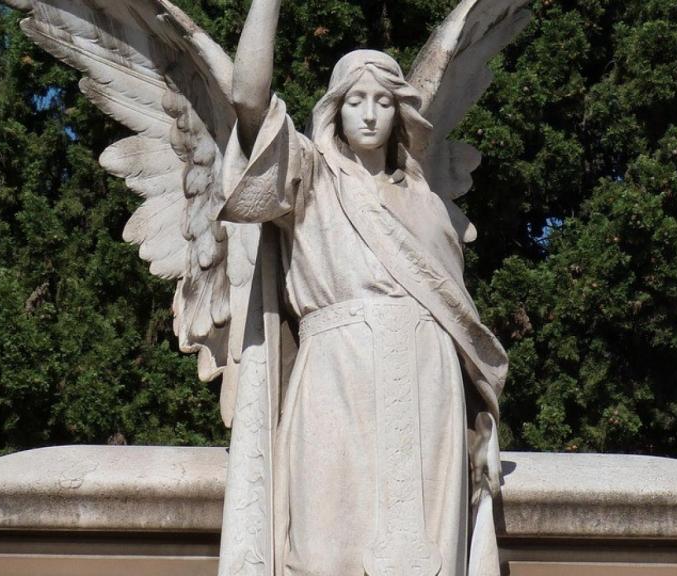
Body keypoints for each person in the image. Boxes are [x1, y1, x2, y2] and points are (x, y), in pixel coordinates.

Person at [218, 1, 509, 574]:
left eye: (382, 101)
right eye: (355, 100)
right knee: (325, 549)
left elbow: (463, 327)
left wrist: (486, 429)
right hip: (337, 376)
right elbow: (248, 98)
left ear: (400, 113)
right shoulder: (308, 177)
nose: (370, 114)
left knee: (424, 554)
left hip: (429, 385)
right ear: (335, 110)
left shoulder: (426, 205)